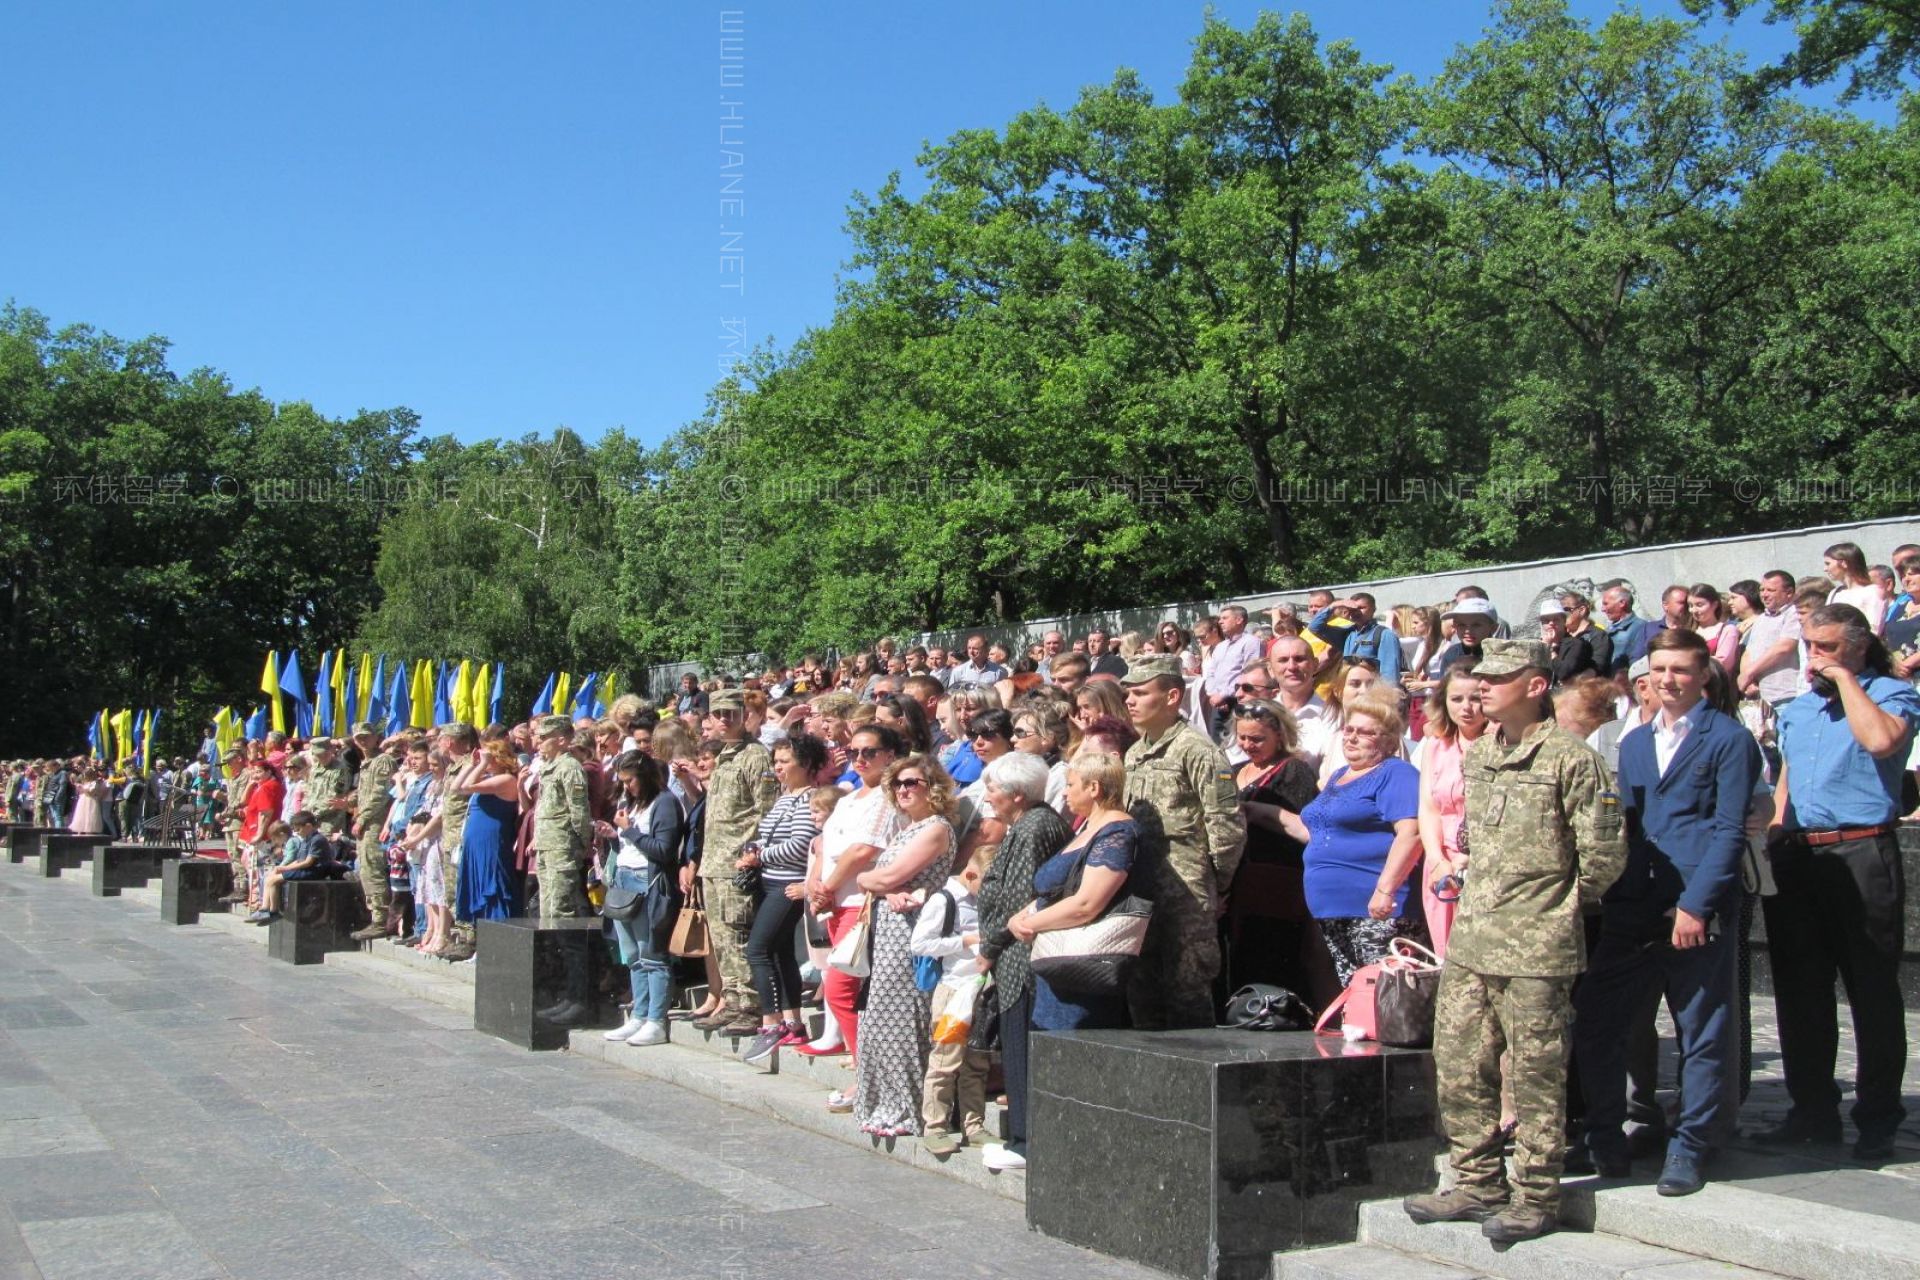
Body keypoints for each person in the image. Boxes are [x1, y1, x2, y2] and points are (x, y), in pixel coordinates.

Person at [1403, 639, 1625, 1246]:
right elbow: (1476, 839)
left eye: (1498, 680)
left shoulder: (1572, 759)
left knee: (1534, 1073)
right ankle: (1476, 1179)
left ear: (1534, 686)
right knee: (1459, 1062)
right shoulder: (1479, 757)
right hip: (1475, 937)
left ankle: (1536, 1194)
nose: (1482, 690)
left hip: (1536, 945)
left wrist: (1554, 908)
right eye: (1480, 679)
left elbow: (1603, 856)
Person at [1574, 628, 1761, 1195]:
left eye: (1682, 670)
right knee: (1598, 1020)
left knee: (1701, 1031)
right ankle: (1604, 1133)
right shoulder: (1632, 743)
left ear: (1704, 674)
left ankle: (1691, 1145)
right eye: (1660, 670)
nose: (1669, 680)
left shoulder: (1728, 739)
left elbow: (1730, 831)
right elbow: (1624, 827)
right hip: (1635, 906)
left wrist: (1697, 906)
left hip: (1696, 906)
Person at [1758, 603, 1919, 1163]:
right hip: (1801, 855)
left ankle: (1877, 1116)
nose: (1815, 657)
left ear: (1857, 645)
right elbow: (1788, 779)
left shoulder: (1890, 694)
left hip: (1862, 850)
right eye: (1810, 645)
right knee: (1800, 990)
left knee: (1871, 988)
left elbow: (1881, 742)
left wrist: (1848, 679)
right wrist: (1776, 832)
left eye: (1827, 646)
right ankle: (1811, 1111)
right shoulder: (1798, 711)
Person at [1120, 654, 1246, 1029]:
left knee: (1186, 990)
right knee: (1142, 990)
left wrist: (1216, 882)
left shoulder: (1198, 750)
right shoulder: (1135, 751)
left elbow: (1225, 824)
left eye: (1141, 693)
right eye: (1129, 693)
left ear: (1173, 696)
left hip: (1187, 890)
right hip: (1142, 885)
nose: (1130, 701)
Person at [1276, 693, 1423, 985]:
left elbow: (1411, 833)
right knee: (1356, 995)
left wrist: (1385, 890)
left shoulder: (1396, 773)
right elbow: (1316, 832)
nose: (1352, 738)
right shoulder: (1339, 775)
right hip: (1331, 909)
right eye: (1349, 729)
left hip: (1376, 909)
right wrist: (1260, 812)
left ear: (1390, 741)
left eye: (1365, 732)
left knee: (1384, 995)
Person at [975, 752, 1072, 1172]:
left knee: (1020, 1049)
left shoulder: (1034, 827)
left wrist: (989, 946)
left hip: (1021, 958)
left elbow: (1018, 901)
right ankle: (1021, 1137)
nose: (988, 796)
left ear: (1015, 795)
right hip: (1012, 954)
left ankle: (1026, 1141)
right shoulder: (1029, 823)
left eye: (993, 788)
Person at [851, 755, 957, 1137]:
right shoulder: (905, 829)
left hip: (912, 928)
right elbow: (884, 880)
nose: (904, 790)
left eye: (912, 782)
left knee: (901, 1017)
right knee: (877, 1017)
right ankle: (882, 1105)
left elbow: (889, 875)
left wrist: (873, 879)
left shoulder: (935, 828)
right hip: (888, 926)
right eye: (897, 784)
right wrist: (880, 883)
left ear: (933, 787)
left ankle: (908, 1110)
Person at [1008, 751, 1138, 1031]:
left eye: (1070, 784)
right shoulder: (1089, 827)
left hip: (1084, 973)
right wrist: (1018, 917)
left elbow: (1086, 904)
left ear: (1094, 788)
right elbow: (1055, 890)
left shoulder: (1117, 834)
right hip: (1057, 970)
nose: (1064, 792)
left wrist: (1028, 923)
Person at [806, 724, 904, 1070]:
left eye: (869, 752)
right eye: (853, 752)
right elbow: (826, 846)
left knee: (839, 989)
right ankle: (862, 1064)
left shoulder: (887, 797)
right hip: (835, 902)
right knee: (848, 990)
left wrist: (828, 886)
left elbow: (861, 850)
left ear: (889, 755)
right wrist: (818, 886)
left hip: (859, 904)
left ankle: (866, 1073)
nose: (860, 759)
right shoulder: (848, 799)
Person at [692, 688, 779, 1035]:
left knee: (738, 933)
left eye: (732, 713)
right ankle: (732, 999)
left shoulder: (755, 756)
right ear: (710, 718)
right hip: (713, 861)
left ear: (744, 715)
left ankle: (750, 1005)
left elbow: (766, 810)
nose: (726, 719)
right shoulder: (724, 755)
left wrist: (750, 854)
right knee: (722, 938)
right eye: (719, 714)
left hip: (736, 862)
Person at [738, 734, 827, 1065]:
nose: (778, 767)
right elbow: (768, 835)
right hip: (769, 880)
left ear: (805, 764)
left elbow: (801, 843)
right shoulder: (785, 797)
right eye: (775, 761)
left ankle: (771, 1021)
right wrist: (753, 848)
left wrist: (759, 855)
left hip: (788, 884)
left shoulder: (809, 799)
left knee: (757, 949)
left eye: (784, 761)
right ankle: (793, 1021)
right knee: (778, 952)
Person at [1223, 699, 1320, 999]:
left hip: (1275, 883)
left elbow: (1304, 825)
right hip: (1238, 881)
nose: (1248, 745)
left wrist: (1252, 810)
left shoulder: (1294, 771)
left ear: (1280, 735)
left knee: (1270, 952)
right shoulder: (1234, 770)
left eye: (1257, 739)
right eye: (1243, 737)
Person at [598, 749, 686, 1048]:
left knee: (653, 955)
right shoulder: (632, 804)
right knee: (632, 955)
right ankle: (639, 1014)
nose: (626, 787)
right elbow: (629, 843)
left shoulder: (664, 804)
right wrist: (615, 834)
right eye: (622, 781)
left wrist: (630, 832)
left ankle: (656, 1020)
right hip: (624, 880)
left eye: (630, 780)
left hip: (649, 884)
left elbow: (663, 850)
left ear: (645, 776)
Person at [911, 851, 990, 1156]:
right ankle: (935, 1126)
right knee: (945, 1061)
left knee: (977, 1061)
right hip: (953, 992)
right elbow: (920, 944)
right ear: (971, 875)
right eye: (986, 883)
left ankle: (974, 1126)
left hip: (979, 989)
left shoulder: (979, 898)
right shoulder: (944, 901)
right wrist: (966, 941)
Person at [527, 715, 594, 1023]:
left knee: (565, 921)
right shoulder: (549, 768)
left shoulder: (570, 768)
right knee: (551, 918)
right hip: (548, 849)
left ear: (563, 740)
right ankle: (566, 993)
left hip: (564, 850)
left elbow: (579, 811)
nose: (537, 743)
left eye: (544, 738)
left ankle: (579, 997)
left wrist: (581, 843)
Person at [1416, 665, 1487, 954]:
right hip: (1442, 865)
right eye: (1457, 699)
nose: (1467, 708)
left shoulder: (1502, 745)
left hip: (1481, 863)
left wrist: (1468, 859)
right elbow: (1429, 808)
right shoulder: (1436, 745)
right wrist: (1436, 860)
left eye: (1476, 698)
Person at [452, 739, 522, 926]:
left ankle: (498, 931)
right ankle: (480, 935)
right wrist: (471, 764)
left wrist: (482, 764)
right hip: (475, 840)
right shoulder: (486, 778)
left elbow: (466, 787)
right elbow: (455, 788)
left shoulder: (506, 779)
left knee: (492, 882)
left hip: (491, 839)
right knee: (476, 882)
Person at [347, 724, 400, 942]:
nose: (362, 741)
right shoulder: (366, 763)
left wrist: (362, 817)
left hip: (375, 824)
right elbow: (364, 793)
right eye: (358, 738)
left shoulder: (383, 761)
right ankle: (375, 916)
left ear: (377, 738)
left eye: (366, 737)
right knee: (366, 870)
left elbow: (380, 794)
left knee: (373, 869)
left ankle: (381, 919)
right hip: (366, 823)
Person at [1739, 570, 1805, 713]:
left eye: (1771, 590)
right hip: (1760, 696)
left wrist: (1749, 673)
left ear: (1789, 592)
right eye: (1762, 589)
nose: (1764, 594)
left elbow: (1785, 647)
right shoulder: (1761, 619)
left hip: (1786, 695)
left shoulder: (1794, 613)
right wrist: (1747, 680)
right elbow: (1749, 652)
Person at [1201, 605, 1265, 740]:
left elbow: (1251, 674)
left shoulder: (1251, 643)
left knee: (1240, 745)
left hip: (1240, 703)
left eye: (1225, 618)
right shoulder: (1220, 647)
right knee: (1217, 744)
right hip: (1217, 704)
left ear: (1239, 620)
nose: (1220, 622)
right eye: (1220, 619)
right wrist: (1213, 694)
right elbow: (1211, 673)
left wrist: (1224, 695)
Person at [1824, 542, 1887, 635]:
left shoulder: (1872, 592)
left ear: (1843, 563)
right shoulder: (1835, 593)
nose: (1825, 569)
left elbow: (1874, 630)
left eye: (1828, 563)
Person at [1538, 601, 1598, 686]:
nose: (1551, 623)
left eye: (1556, 619)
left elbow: (1564, 673)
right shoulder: (1536, 646)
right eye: (1546, 621)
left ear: (1564, 621)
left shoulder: (1575, 644)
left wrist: (1550, 650)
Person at [1687, 584, 1741, 673]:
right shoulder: (1688, 630)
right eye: (1690, 605)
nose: (1694, 610)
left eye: (1699, 605)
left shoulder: (1727, 630)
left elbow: (1723, 663)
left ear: (1714, 605)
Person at [1599, 584, 1650, 676]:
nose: (1602, 609)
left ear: (1622, 603)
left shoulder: (1642, 628)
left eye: (1606, 604)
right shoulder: (1608, 629)